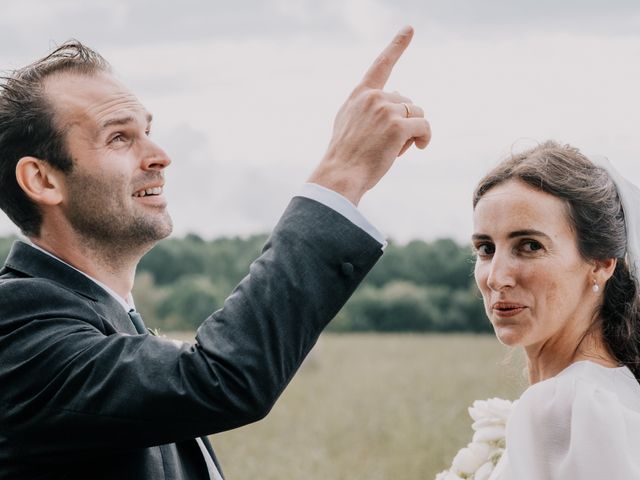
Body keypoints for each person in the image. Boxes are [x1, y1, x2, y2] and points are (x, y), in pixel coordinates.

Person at [0, 27, 431, 479]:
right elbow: (218, 378)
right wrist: (342, 174)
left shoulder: (105, 319)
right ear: (43, 180)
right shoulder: (15, 323)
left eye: (147, 130)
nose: (160, 155)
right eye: (119, 138)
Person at [471, 141, 640, 479]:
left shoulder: (567, 406)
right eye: (486, 248)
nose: (497, 277)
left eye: (530, 246)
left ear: (601, 264)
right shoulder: (614, 390)